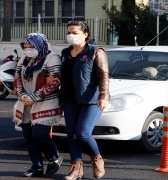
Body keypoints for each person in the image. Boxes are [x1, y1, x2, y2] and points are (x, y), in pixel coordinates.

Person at [60, 21, 110, 180]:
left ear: (85, 34)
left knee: (83, 133)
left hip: (91, 99)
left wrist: (103, 95)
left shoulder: (95, 51)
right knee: (72, 134)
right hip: (69, 99)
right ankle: (76, 167)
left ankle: (97, 159)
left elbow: (104, 75)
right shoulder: (65, 52)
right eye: (69, 32)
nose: (71, 35)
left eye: (75, 33)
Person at [13, 32, 63, 177]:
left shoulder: (52, 58)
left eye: (31, 47)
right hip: (26, 102)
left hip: (46, 102)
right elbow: (17, 78)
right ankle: (36, 166)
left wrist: (36, 96)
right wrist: (21, 94)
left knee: (40, 134)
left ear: (40, 45)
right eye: (26, 47)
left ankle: (55, 158)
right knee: (28, 136)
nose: (28, 50)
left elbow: (56, 80)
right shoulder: (24, 58)